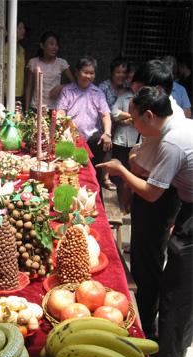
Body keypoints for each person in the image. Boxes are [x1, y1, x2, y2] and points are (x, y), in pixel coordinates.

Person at [97, 86, 192, 357]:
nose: (131, 123)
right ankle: (172, 341)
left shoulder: (172, 141)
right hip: (187, 202)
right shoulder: (172, 123)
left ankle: (169, 353)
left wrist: (121, 169)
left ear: (149, 116)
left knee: (179, 284)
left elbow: (151, 193)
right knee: (178, 276)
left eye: (134, 118)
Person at [120, 60, 184, 340]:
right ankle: (145, 319)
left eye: (140, 90)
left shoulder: (169, 132)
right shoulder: (160, 115)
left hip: (160, 198)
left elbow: (140, 171)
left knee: (150, 262)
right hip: (158, 194)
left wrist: (126, 165)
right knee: (145, 259)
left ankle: (147, 326)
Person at [55, 55, 112, 188]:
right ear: (76, 72)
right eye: (85, 72)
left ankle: (104, 178)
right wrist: (64, 123)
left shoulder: (97, 93)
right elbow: (61, 112)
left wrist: (107, 133)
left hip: (91, 136)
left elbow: (105, 115)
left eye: (91, 73)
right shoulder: (67, 91)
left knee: (106, 141)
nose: (88, 76)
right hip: (70, 137)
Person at [25, 31, 74, 111]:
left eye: (56, 45)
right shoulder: (33, 62)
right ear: (42, 45)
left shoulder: (61, 63)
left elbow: (74, 84)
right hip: (36, 107)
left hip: (55, 108)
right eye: (51, 44)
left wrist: (61, 87)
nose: (55, 47)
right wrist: (26, 110)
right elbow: (28, 87)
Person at [99, 57, 128, 190]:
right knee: (107, 145)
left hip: (123, 126)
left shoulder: (128, 87)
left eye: (123, 72)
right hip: (105, 124)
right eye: (118, 72)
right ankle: (106, 178)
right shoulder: (103, 87)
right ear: (112, 73)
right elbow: (102, 111)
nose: (121, 75)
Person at [4, 20, 27, 105]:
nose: (23, 31)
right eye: (20, 28)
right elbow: (5, 71)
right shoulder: (6, 47)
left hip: (19, 90)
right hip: (7, 91)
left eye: (24, 28)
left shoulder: (21, 49)